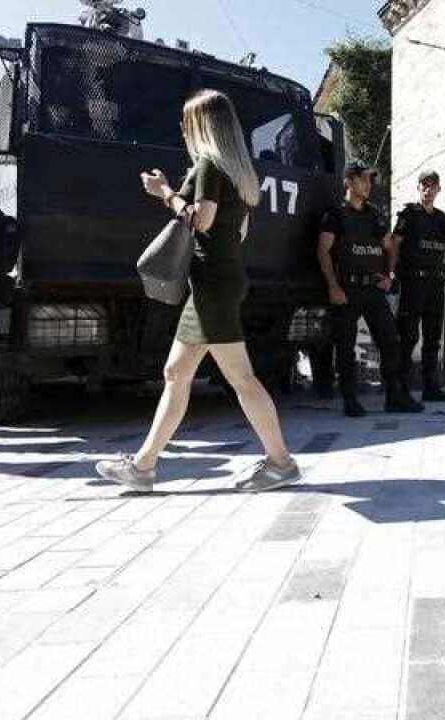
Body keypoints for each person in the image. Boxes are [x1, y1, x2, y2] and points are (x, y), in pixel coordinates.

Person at [95, 90, 299, 491]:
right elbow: (238, 232)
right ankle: (144, 465)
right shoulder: (237, 171)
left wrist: (165, 192)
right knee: (177, 372)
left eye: (187, 121)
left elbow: (202, 221)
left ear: (202, 126)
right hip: (218, 280)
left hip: (212, 286)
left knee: (240, 378)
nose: (182, 128)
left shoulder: (208, 166)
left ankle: (281, 462)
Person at [318, 160, 424, 418]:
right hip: (347, 289)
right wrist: (333, 286)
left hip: (374, 290)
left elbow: (389, 246)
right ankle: (350, 399)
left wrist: (388, 275)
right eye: (363, 179)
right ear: (349, 182)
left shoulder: (374, 214)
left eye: (369, 180)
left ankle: (395, 396)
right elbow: (323, 251)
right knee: (345, 347)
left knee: (391, 341)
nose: (368, 184)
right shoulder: (336, 214)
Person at [390, 171, 445, 402]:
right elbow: (395, 244)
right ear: (419, 188)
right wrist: (391, 273)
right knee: (407, 337)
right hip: (413, 282)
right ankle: (402, 389)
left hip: (435, 283)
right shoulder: (408, 214)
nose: (428, 190)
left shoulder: (442, 219)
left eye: (432, 186)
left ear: (439, 189)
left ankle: (431, 387)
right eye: (424, 186)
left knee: (432, 337)